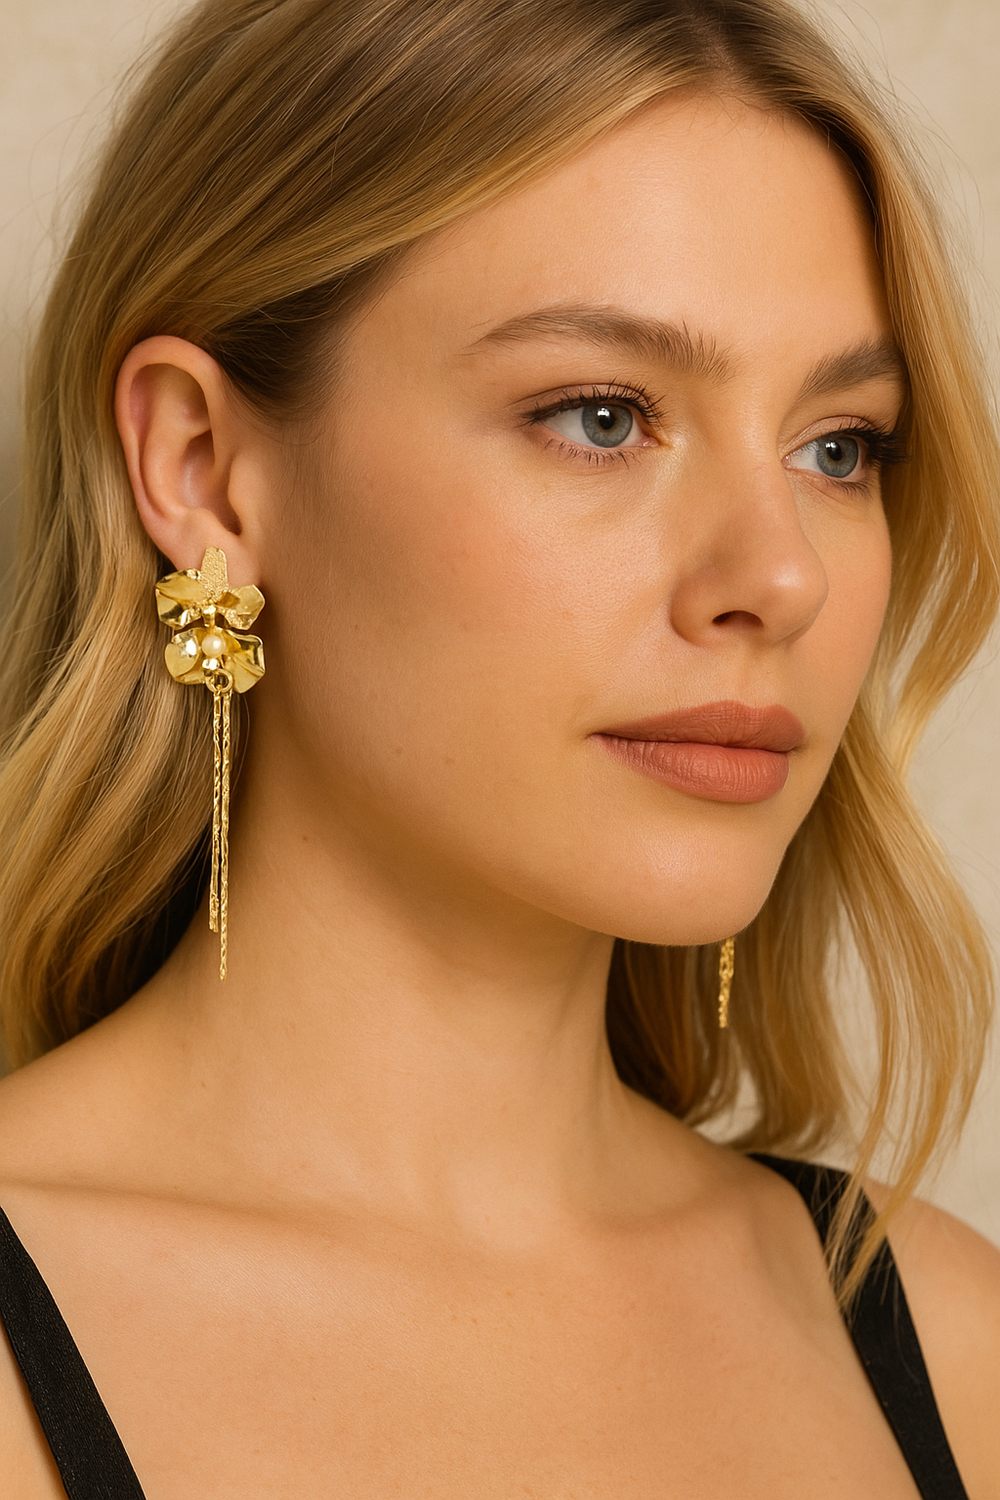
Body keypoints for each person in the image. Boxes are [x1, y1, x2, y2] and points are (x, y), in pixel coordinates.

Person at [0, 0, 998, 1494]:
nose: (782, 576)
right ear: (201, 470)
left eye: (839, 446)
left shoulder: (955, 1348)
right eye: (599, 417)